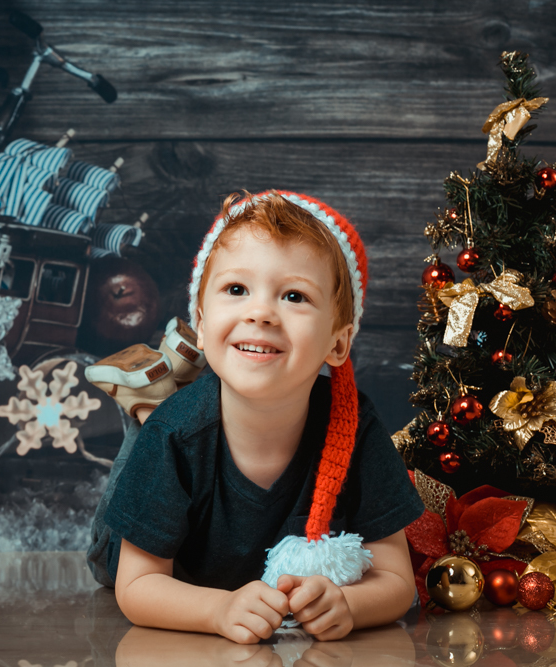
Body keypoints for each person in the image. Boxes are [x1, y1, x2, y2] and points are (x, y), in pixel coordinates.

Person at [85, 190, 423, 643]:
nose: (261, 312)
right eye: (236, 289)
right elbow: (136, 587)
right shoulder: (174, 434)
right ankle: (143, 409)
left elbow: (397, 582)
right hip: (155, 559)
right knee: (110, 550)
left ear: (338, 343)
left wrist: (348, 604)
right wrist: (217, 610)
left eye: (294, 296)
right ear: (201, 324)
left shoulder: (355, 425)